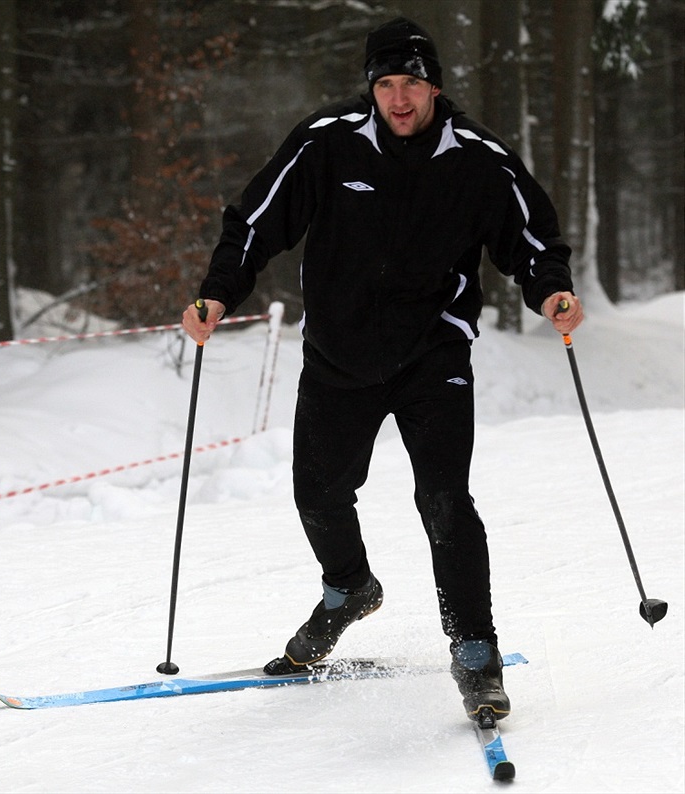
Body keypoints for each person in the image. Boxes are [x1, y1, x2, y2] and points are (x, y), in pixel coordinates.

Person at [182, 17, 584, 723]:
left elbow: (531, 235)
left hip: (434, 354)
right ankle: (348, 589)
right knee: (318, 494)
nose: (398, 98)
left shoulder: (477, 158)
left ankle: (475, 654)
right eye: (385, 83)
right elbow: (255, 223)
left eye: (412, 83)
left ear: (435, 86)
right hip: (340, 355)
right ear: (372, 86)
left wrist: (551, 288)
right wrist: (218, 291)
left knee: (445, 501)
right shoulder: (327, 141)